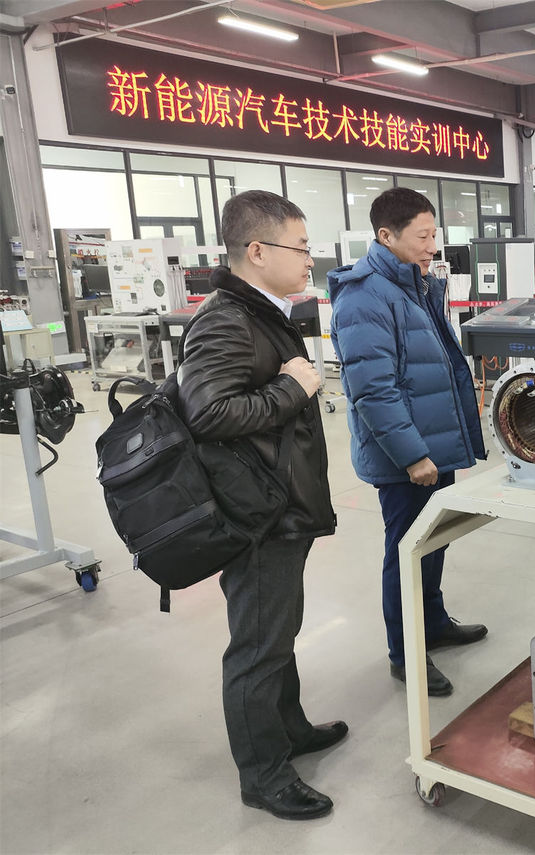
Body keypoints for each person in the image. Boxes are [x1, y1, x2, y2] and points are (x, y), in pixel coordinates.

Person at [178, 190, 343, 820]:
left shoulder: (262, 312)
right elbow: (208, 412)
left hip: (276, 503)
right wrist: (290, 389)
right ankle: (264, 775)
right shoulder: (226, 319)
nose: (309, 259)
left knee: (278, 631)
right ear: (257, 251)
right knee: (257, 646)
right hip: (257, 514)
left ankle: (288, 728)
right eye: (300, 248)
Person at [329, 187, 487, 698]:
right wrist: (413, 455)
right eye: (422, 236)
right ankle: (406, 653)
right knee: (406, 551)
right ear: (386, 236)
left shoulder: (412, 284)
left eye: (434, 234)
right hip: (407, 458)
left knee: (433, 542)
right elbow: (373, 390)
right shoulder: (364, 296)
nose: (432, 245)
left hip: (435, 445)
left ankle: (433, 623)